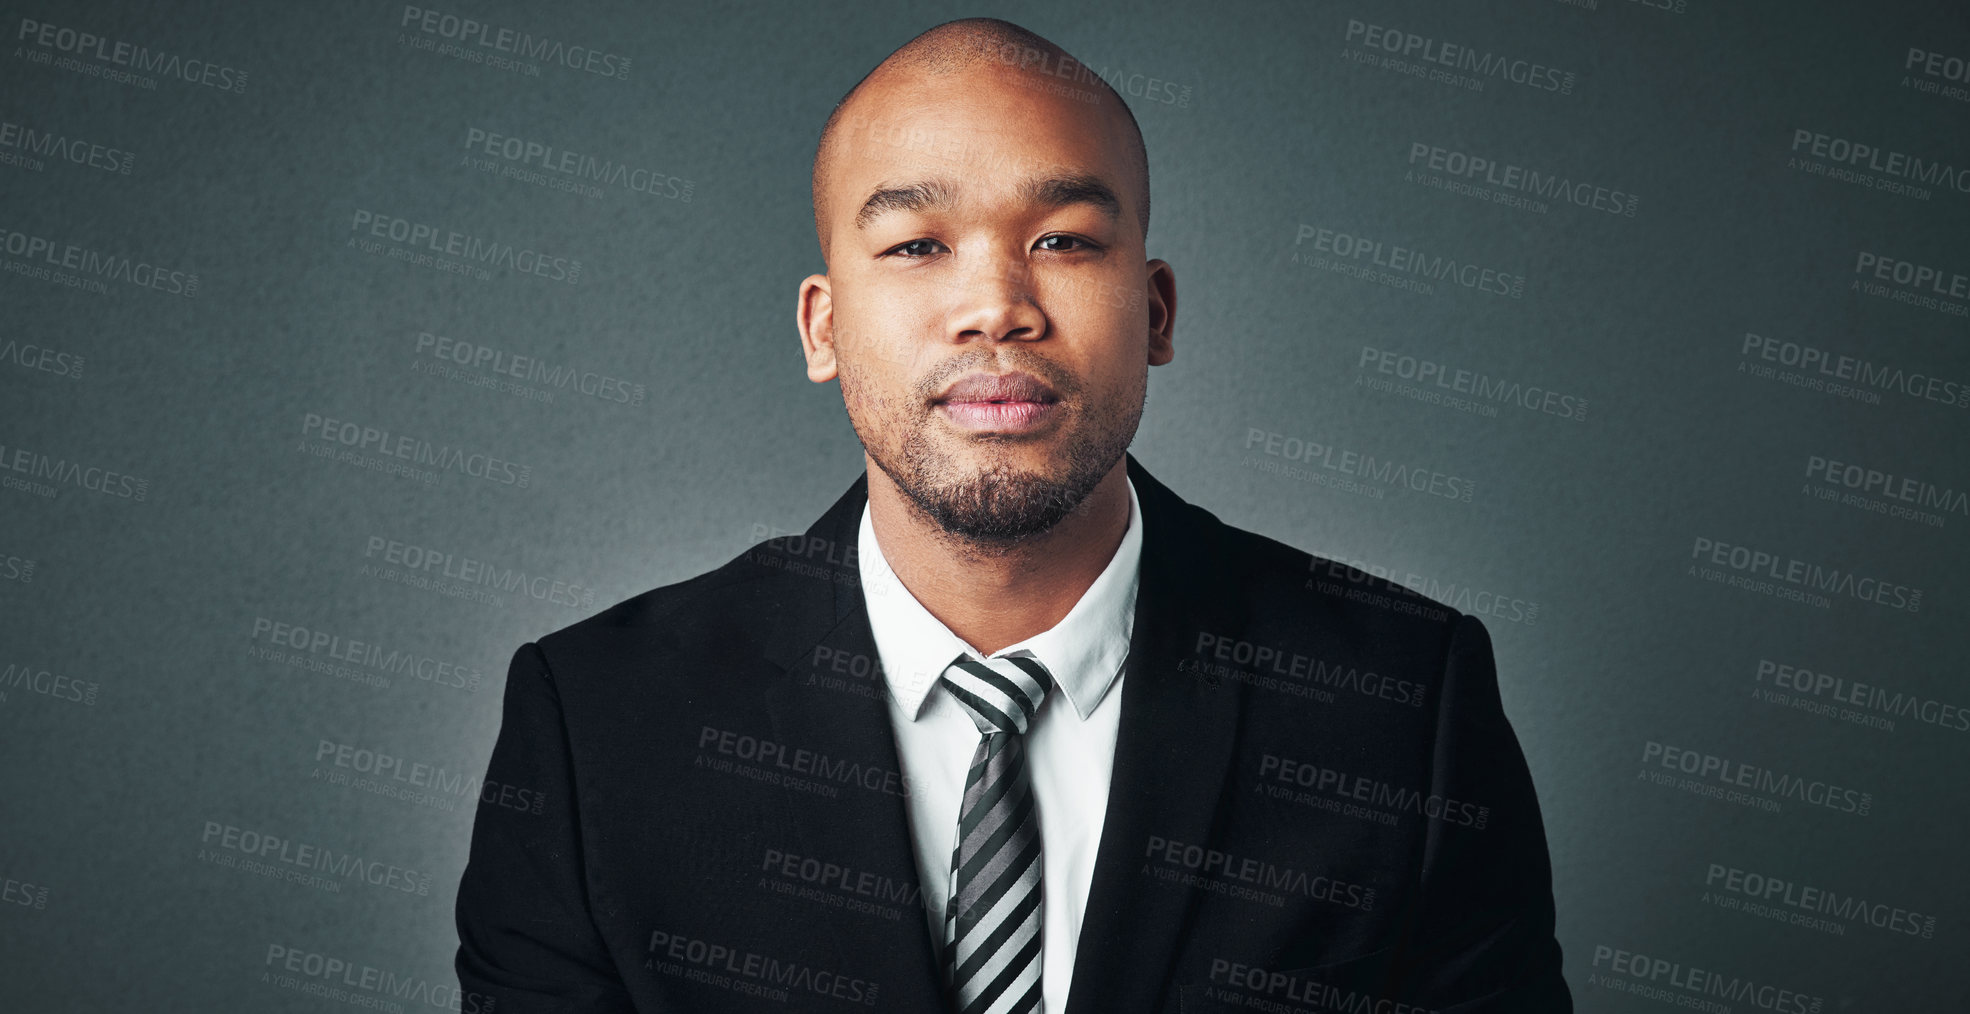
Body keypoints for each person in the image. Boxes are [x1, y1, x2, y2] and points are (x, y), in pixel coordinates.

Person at [455, 17, 1571, 1013]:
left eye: (1064, 241)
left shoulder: (1399, 708)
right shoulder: (597, 726)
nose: (995, 304)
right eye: (915, 246)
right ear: (822, 327)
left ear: (1155, 310)